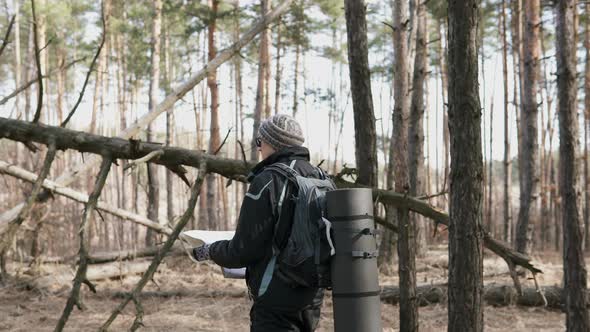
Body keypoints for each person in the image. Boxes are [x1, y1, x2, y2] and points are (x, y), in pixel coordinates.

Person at [192, 114, 325, 332]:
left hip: (275, 301)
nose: (259, 148)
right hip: (312, 299)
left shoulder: (268, 181)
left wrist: (208, 250)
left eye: (260, 142)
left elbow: (243, 251)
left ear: (272, 142)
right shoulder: (320, 177)